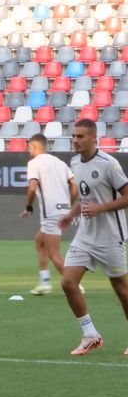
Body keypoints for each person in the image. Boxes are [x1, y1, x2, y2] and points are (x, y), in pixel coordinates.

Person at [57, 119, 128, 355]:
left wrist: (100, 208)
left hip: (110, 236)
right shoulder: (75, 162)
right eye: (73, 136)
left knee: (121, 288)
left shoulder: (109, 164)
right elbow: (86, 196)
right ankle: (90, 335)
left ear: (93, 138)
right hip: (85, 236)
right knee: (68, 282)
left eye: (80, 136)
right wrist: (71, 214)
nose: (75, 140)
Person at [19, 133, 77, 296]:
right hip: (61, 210)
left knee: (54, 253)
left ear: (33, 147)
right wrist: (68, 206)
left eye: (29, 148)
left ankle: (75, 285)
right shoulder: (60, 163)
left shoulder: (34, 163)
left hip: (50, 213)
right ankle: (44, 282)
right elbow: (74, 186)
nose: (28, 151)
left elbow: (32, 187)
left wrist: (29, 206)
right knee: (39, 242)